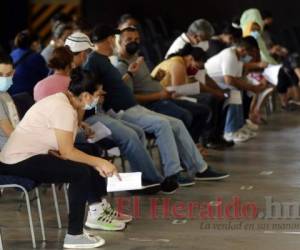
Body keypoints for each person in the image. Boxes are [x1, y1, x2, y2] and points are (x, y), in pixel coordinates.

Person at [84, 24, 229, 188]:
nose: (114, 41)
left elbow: (115, 85)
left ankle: (200, 168)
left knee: (177, 123)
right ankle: (173, 173)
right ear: (109, 39)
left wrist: (130, 73)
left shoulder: (104, 60)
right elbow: (90, 89)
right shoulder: (94, 61)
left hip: (133, 107)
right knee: (163, 125)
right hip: (121, 110)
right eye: (114, 38)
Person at [0, 68, 132, 249]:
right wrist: (101, 163)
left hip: (34, 154)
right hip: (17, 160)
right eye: (98, 94)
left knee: (87, 160)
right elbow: (68, 152)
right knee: (80, 173)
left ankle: (97, 211)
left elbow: (66, 144)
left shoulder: (66, 101)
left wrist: (95, 162)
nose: (100, 98)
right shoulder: (62, 108)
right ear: (85, 95)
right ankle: (74, 236)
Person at [35, 35, 165, 194]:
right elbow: (75, 115)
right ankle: (150, 180)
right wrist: (90, 105)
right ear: (80, 55)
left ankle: (142, 179)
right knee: (130, 135)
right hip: (78, 125)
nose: (86, 57)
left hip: (65, 128)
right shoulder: (72, 81)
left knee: (136, 132)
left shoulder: (42, 83)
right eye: (85, 53)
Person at [115, 26, 213, 150]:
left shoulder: (137, 58)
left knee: (202, 111)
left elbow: (144, 82)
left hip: (162, 97)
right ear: (120, 42)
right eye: (129, 39)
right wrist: (160, 95)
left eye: (137, 39)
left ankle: (190, 149)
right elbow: (131, 98)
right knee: (184, 115)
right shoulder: (122, 66)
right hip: (150, 104)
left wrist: (156, 80)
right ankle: (184, 154)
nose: (134, 42)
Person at [205, 37, 266, 142]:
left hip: (218, 82)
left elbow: (237, 78)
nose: (250, 57)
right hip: (209, 83)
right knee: (234, 93)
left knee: (239, 91)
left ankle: (239, 126)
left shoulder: (237, 56)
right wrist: (251, 87)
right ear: (243, 50)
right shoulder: (229, 55)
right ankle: (230, 131)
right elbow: (229, 80)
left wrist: (250, 87)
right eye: (250, 53)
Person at [10, 30, 49, 95]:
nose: (40, 45)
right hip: (29, 94)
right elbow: (47, 76)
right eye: (39, 43)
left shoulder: (12, 54)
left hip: (13, 94)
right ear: (34, 43)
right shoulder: (35, 57)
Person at [0, 53, 20, 149]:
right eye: (0, 75)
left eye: (8, 75)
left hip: (15, 145)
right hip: (7, 151)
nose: (4, 78)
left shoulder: (5, 93)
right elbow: (8, 130)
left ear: (13, 73)